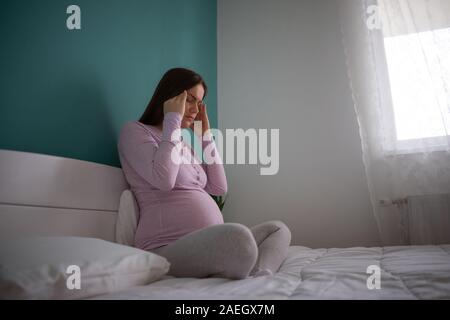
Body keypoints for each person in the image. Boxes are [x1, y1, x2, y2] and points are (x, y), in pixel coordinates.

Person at [117, 67, 291, 279]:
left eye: (199, 103)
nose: (195, 109)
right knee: (238, 237)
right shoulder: (135, 132)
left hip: (208, 242)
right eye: (189, 100)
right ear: (170, 98)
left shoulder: (183, 144)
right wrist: (172, 118)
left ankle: (259, 275)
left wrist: (204, 135)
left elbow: (219, 188)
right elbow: (164, 180)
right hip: (166, 248)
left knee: (278, 229)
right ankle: (240, 262)